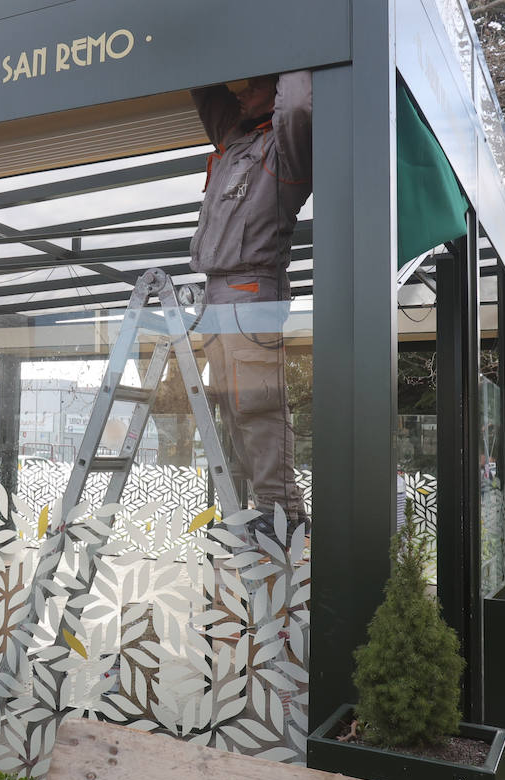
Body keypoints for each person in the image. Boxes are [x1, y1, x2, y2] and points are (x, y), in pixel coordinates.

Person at [190, 72, 312, 536]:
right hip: (218, 294)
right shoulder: (236, 138)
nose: (239, 94)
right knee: (233, 407)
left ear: (275, 89)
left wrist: (289, 55)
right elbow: (202, 85)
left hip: (250, 291)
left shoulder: (285, 147)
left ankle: (279, 513)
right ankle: (274, 511)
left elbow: (299, 103)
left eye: (252, 86)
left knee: (258, 405)